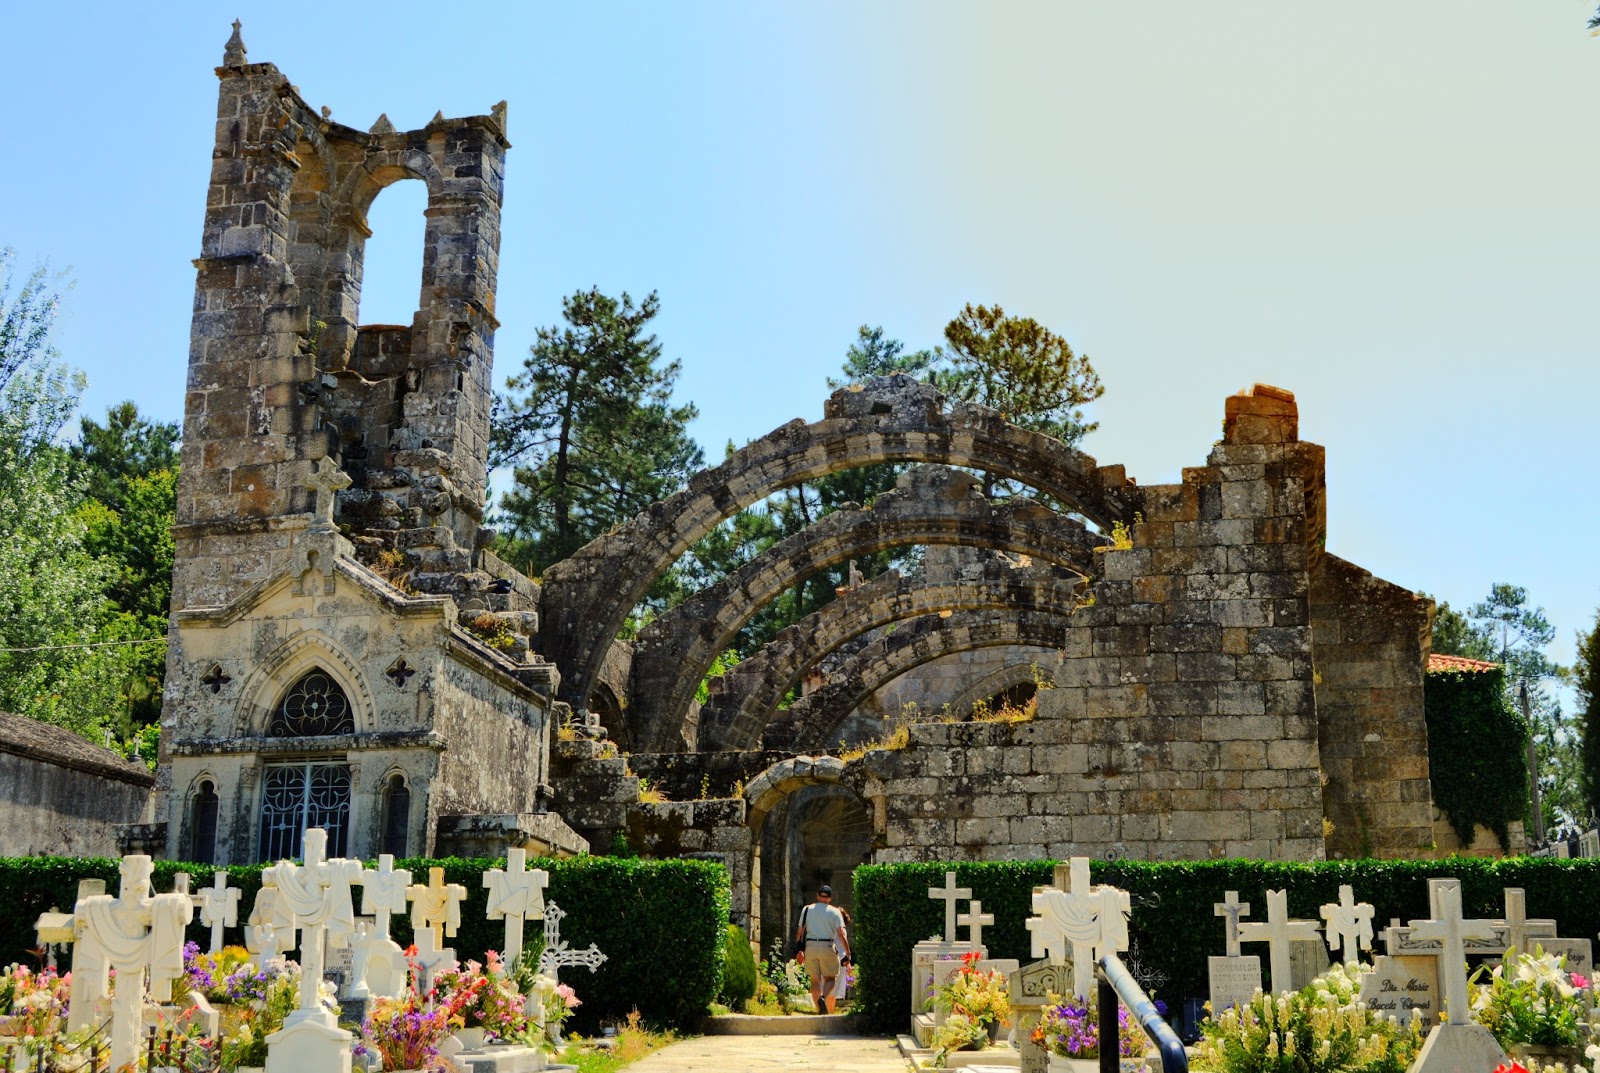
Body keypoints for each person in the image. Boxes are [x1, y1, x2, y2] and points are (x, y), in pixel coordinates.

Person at [793, 884, 850, 1014]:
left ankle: (819, 1012)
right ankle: (823, 998)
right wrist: (848, 953)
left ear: (817, 896)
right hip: (827, 946)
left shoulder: (807, 909)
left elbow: (799, 932)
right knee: (830, 979)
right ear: (830, 898)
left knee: (815, 981)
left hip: (810, 946)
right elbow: (841, 934)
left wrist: (798, 950)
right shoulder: (835, 912)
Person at [831, 907, 853, 1006]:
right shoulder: (840, 929)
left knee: (834, 980)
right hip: (839, 955)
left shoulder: (834, 928)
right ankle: (832, 1003)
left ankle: (831, 1003)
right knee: (837, 980)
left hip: (836, 954)